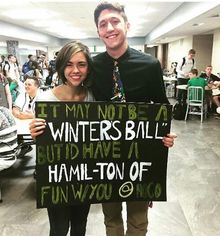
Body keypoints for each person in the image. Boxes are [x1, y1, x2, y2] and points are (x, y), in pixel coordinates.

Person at [92, 2, 176, 236]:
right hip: (104, 155)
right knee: (111, 218)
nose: (109, 27)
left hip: (139, 156)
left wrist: (165, 134)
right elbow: (79, 104)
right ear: (98, 31)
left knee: (138, 221)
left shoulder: (149, 65)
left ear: (127, 25)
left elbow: (161, 106)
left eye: (115, 21)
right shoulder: (93, 66)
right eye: (103, 24)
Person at [29, 41, 94, 236]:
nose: (75, 70)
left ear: (88, 68)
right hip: (57, 178)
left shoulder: (93, 97)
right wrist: (35, 134)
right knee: (58, 229)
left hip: (85, 176)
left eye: (81, 64)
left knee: (80, 227)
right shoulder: (45, 100)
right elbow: (43, 144)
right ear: (61, 66)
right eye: (69, 64)